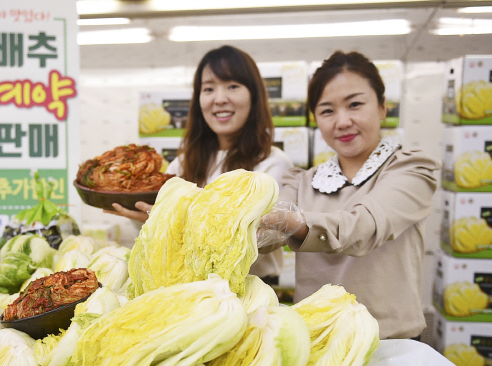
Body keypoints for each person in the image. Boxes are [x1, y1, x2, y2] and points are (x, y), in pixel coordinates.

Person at [258, 51, 440, 339]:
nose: (342, 122)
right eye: (327, 111)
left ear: (382, 107)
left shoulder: (412, 170)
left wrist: (296, 223)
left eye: (355, 105)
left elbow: (364, 226)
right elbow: (265, 236)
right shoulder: (301, 180)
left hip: (390, 345)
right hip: (316, 341)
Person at [108, 45, 294, 282]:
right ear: (198, 100)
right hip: (187, 290)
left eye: (233, 86)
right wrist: (147, 218)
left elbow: (268, 238)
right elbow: (155, 233)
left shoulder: (272, 165)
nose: (219, 99)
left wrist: (179, 221)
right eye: (208, 89)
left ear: (254, 96)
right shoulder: (182, 163)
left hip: (250, 293)